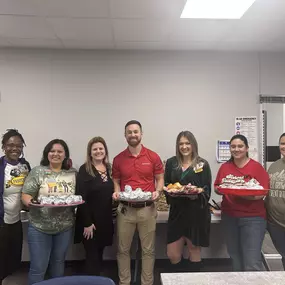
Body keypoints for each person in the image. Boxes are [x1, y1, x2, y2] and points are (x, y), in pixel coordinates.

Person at [112, 120, 164, 285]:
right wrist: (116, 192)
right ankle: (124, 282)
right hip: (125, 210)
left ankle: (147, 283)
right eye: (129, 132)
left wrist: (158, 191)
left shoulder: (153, 156)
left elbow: (160, 178)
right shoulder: (118, 159)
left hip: (147, 209)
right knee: (122, 249)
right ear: (125, 135)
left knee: (148, 250)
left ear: (141, 134)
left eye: (136, 132)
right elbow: (116, 181)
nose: (133, 135)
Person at [21, 139, 76, 285]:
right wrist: (31, 202)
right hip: (40, 227)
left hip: (64, 227)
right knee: (38, 268)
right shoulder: (38, 171)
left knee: (58, 265)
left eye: (59, 151)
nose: (56, 154)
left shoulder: (72, 173)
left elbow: (79, 195)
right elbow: (26, 194)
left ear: (65, 155)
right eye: (52, 151)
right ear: (47, 154)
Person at [214, 134, 269, 271]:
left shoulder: (256, 167)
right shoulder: (225, 167)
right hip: (230, 217)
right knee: (235, 257)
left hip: (253, 218)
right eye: (233, 146)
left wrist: (243, 194)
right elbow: (217, 187)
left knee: (251, 260)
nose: (236, 149)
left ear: (247, 148)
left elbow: (262, 193)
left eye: (240, 146)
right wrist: (223, 190)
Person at [164, 131, 211, 272]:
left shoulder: (202, 164)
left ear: (193, 145)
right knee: (172, 254)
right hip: (177, 213)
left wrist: (196, 194)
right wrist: (171, 192)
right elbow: (167, 185)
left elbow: (206, 190)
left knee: (194, 250)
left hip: (196, 213)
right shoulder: (172, 163)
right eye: (181, 144)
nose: (184, 147)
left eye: (187, 143)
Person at [75, 137, 114, 276]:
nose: (98, 151)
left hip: (105, 220)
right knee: (92, 259)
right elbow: (81, 197)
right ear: (90, 152)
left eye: (101, 148)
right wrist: (87, 223)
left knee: (100, 255)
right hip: (90, 223)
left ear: (105, 151)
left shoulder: (109, 168)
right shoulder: (85, 169)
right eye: (95, 149)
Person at [0, 129, 31, 285]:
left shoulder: (25, 166)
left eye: (19, 145)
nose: (15, 148)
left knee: (13, 259)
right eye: (11, 145)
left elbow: (30, 189)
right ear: (4, 146)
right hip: (1, 221)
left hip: (16, 221)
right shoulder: (0, 165)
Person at [265, 133, 285, 270]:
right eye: (282, 143)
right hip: (275, 223)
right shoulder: (274, 166)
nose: (284, 146)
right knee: (284, 255)